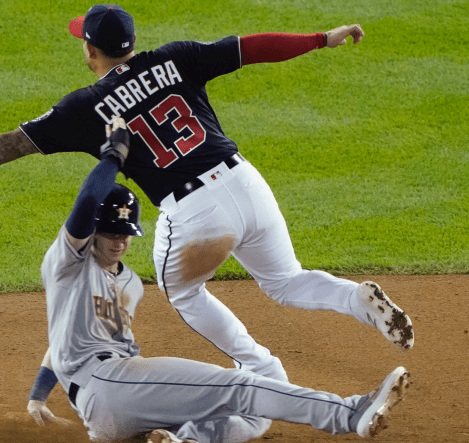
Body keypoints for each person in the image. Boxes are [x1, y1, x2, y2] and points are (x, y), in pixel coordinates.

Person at [0, 2, 413, 391]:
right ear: (133, 41)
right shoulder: (176, 57)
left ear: (89, 50)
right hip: (245, 181)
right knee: (284, 280)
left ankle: (259, 369)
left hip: (195, 212)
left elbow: (8, 146)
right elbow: (252, 48)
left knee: (184, 293)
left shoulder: (83, 106)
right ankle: (355, 300)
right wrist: (323, 37)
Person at [27, 116, 410, 443]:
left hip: (113, 411)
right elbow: (86, 202)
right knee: (239, 387)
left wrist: (38, 396)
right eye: (111, 233)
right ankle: (349, 413)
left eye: (126, 233)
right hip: (110, 383)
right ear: (91, 232)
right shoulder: (67, 263)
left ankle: (188, 438)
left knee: (252, 419)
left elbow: (59, 340)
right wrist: (114, 153)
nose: (120, 241)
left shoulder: (127, 283)